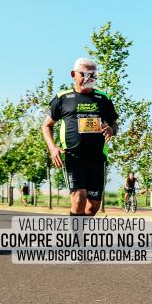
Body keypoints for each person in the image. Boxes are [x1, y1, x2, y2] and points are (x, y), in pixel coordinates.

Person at [41, 58, 118, 217]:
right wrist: (53, 148)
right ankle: (76, 239)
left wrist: (111, 129)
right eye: (83, 74)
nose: (88, 78)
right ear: (73, 75)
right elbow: (46, 126)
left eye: (92, 75)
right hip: (73, 156)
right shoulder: (63, 98)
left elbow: (114, 124)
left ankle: (80, 232)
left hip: (97, 158)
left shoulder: (103, 99)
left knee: (93, 206)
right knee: (79, 199)